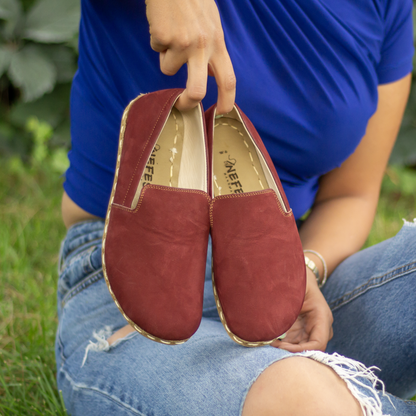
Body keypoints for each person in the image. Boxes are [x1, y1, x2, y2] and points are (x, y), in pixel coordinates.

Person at [57, 0, 416, 414]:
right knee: (304, 401)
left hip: (280, 289)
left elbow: (351, 194)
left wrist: (301, 267)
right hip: (126, 297)